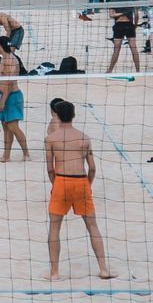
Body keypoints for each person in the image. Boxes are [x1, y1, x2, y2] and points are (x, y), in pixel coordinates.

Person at [45, 100, 116, 281]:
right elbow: (92, 168)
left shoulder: (51, 139)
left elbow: (50, 169)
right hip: (81, 182)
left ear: (57, 116)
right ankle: (103, 269)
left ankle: (54, 273)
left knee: (54, 228)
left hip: (61, 181)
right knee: (93, 227)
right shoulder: (84, 138)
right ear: (74, 116)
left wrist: (56, 185)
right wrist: (87, 186)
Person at [0, 36, 28, 162]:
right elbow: (1, 81)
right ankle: (6, 156)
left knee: (13, 127)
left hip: (12, 96)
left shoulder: (12, 60)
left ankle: (26, 154)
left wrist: (3, 101)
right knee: (6, 129)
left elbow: (10, 83)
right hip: (3, 95)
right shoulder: (3, 59)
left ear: (1, 46)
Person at [107, 5, 141, 74]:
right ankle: (138, 71)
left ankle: (109, 70)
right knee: (134, 48)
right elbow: (136, 15)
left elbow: (111, 15)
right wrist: (135, 25)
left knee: (116, 49)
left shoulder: (114, 0)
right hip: (129, 24)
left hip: (119, 24)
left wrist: (121, 13)